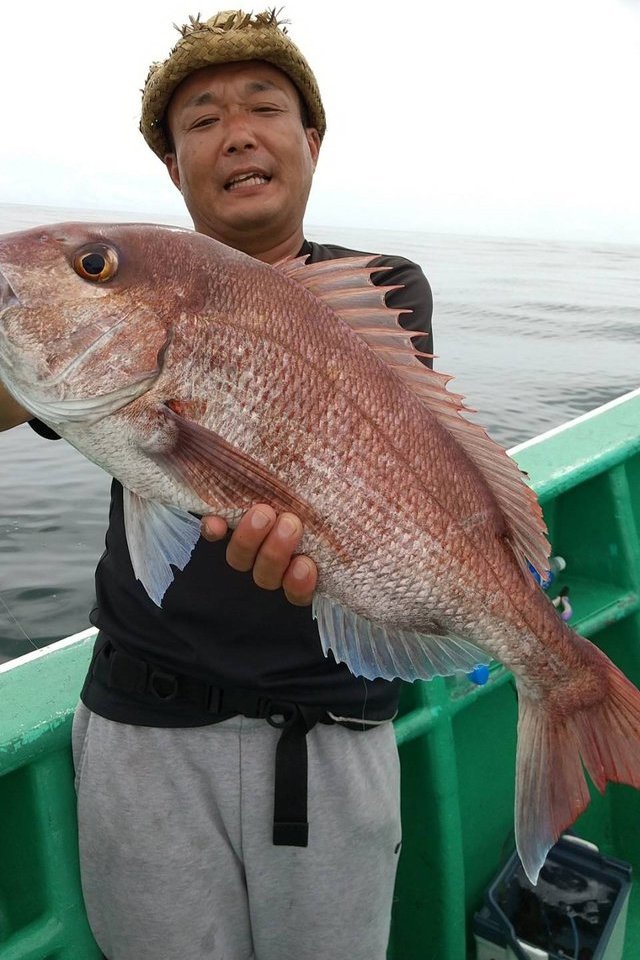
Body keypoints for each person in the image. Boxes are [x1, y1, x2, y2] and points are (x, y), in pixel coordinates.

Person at [0, 10, 433, 960]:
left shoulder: (383, 288)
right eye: (199, 120)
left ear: (311, 140)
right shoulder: (114, 327)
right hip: (141, 731)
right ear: (171, 168)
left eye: (264, 107)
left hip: (331, 733)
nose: (234, 132)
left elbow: (410, 496)